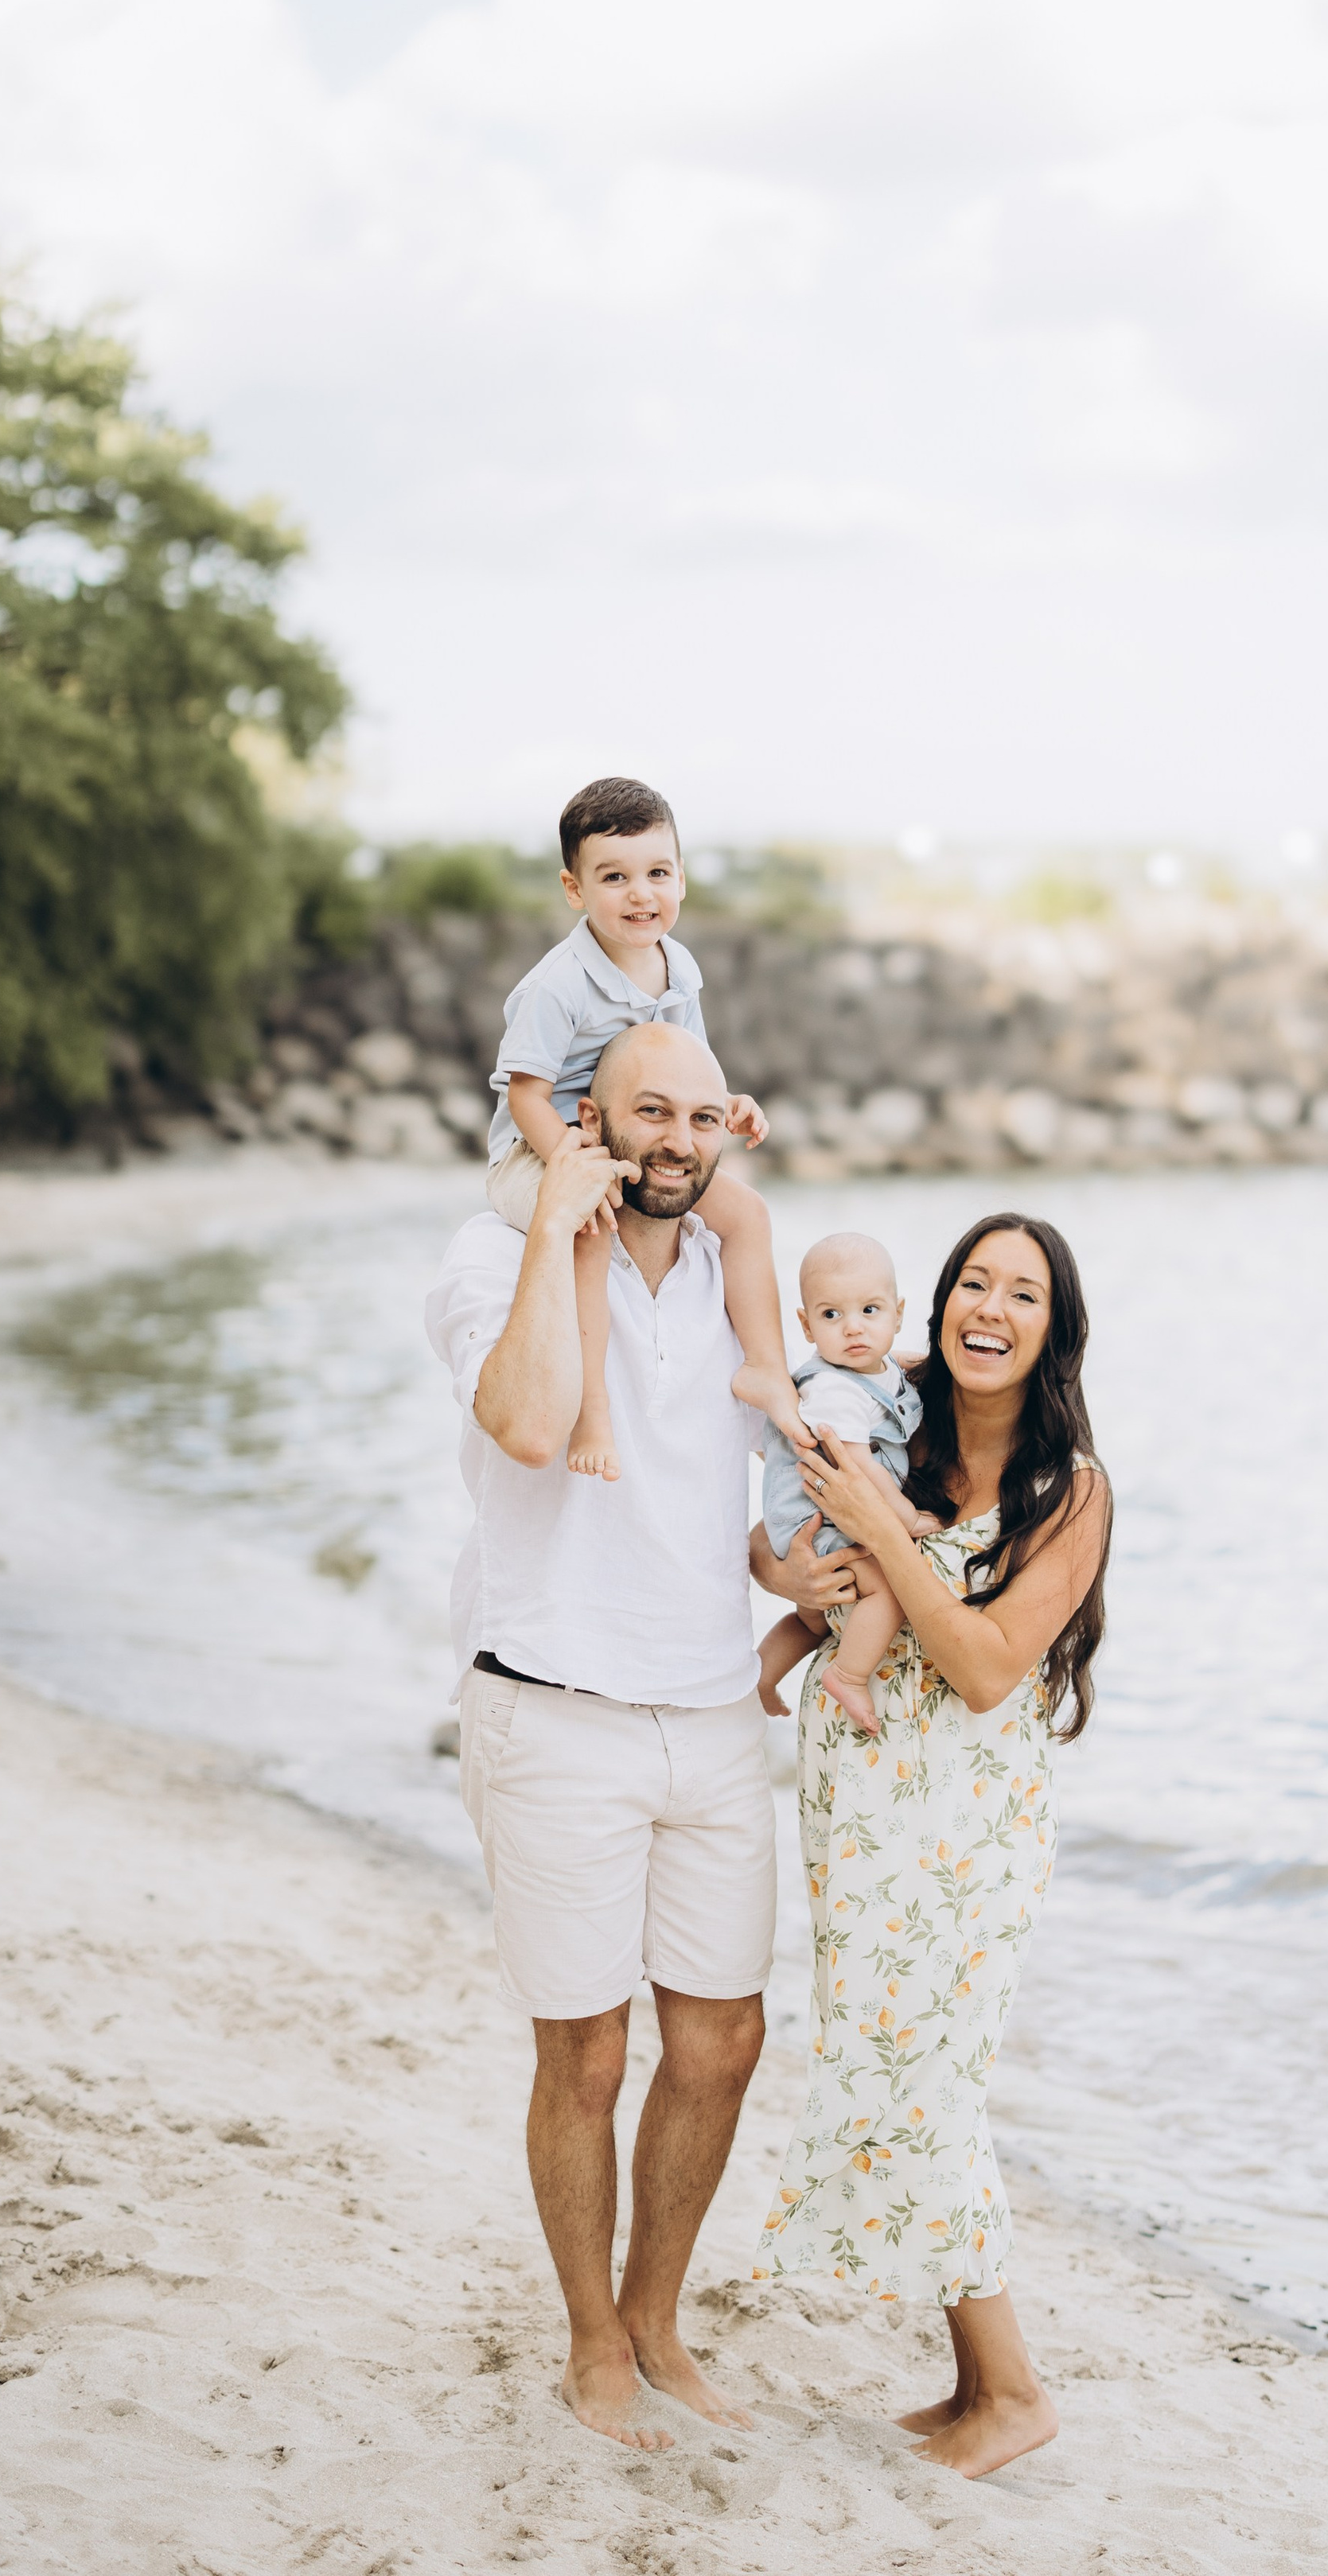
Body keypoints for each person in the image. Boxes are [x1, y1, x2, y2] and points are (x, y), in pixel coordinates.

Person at [425, 1021, 834, 2450]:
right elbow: (535, 1427)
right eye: (641, 1113)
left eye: (696, 1114)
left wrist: (787, 1564)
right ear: (585, 1118)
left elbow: (721, 1475)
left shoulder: (736, 1273)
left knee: (722, 2040)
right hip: (553, 1703)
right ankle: (591, 2340)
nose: (672, 1139)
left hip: (716, 1704)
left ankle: (656, 2314)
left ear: (728, 1123)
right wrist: (555, 1221)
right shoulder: (490, 1262)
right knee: (585, 2059)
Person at [751, 1212, 1112, 2481]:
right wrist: (797, 1578)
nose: (989, 1306)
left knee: (929, 2087)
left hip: (964, 1829)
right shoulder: (884, 1408)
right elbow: (776, 1537)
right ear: (934, 1302)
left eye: (1022, 1291)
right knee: (892, 2066)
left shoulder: (1070, 1489)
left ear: (1052, 1327)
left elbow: (983, 1670)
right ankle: (972, 2389)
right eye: (973, 1280)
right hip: (856, 1805)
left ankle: (1014, 2393)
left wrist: (882, 1532)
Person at [482, 773, 804, 1478]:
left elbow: (690, 1069)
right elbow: (529, 1096)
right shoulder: (559, 984)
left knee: (745, 1212)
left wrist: (729, 1101)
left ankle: (767, 1368)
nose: (640, 894)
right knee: (596, 1228)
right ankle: (594, 1408)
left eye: (657, 872)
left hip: (631, 1136)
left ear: (682, 879)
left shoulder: (678, 968)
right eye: (615, 876)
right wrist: (575, 1164)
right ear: (575, 889)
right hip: (539, 1148)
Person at [754, 1231, 941, 1733]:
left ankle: (762, 1678)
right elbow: (856, 1468)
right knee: (890, 1589)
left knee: (810, 1620)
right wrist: (905, 1518)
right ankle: (849, 1676)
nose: (853, 1329)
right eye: (832, 1315)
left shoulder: (881, 1374)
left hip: (813, 1512)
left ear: (898, 1314)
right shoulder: (834, 1389)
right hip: (816, 1513)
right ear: (807, 1325)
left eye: (871, 1311)